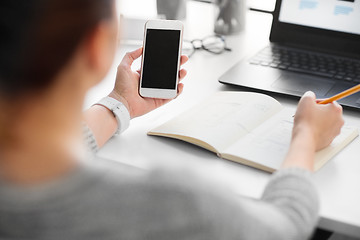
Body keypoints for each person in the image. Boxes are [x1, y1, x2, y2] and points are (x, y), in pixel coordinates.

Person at [0, 0, 344, 239]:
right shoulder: (171, 206)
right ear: (96, 45)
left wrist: (120, 104)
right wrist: (305, 136)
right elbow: (286, 227)